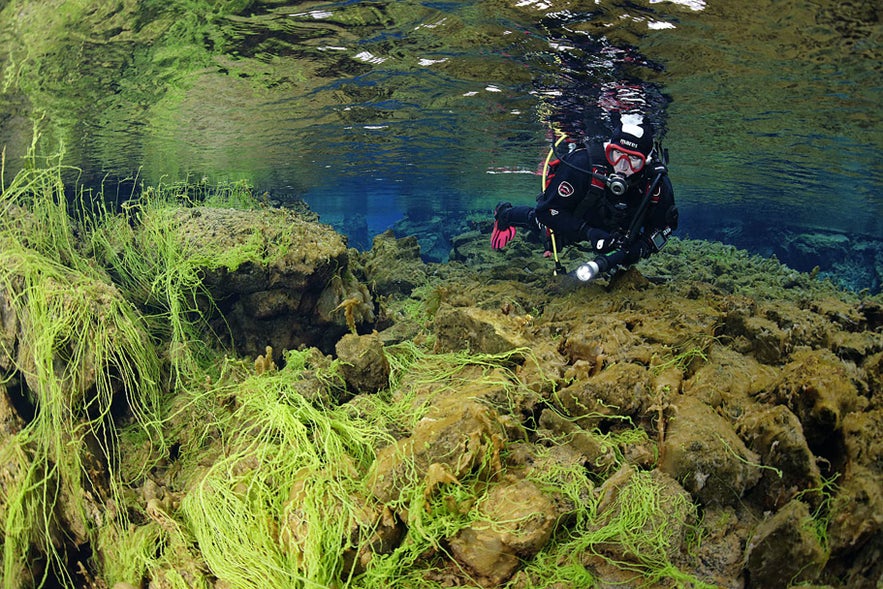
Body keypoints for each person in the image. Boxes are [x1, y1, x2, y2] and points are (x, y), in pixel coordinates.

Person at [490, 116, 678, 281]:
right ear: (608, 151)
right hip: (578, 217)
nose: (622, 166)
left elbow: (666, 226)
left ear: (646, 161)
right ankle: (504, 214)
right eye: (617, 154)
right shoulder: (583, 164)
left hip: (616, 228)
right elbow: (546, 211)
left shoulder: (656, 183)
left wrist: (639, 249)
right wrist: (587, 232)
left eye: (633, 160)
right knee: (539, 224)